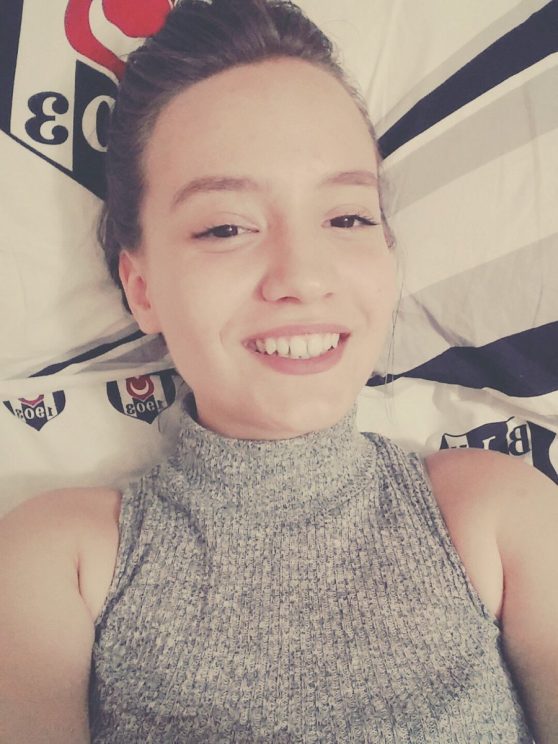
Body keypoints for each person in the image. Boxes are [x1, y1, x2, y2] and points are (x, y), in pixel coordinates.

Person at [1, 0, 557, 742]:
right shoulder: (56, 563)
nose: (303, 276)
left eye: (347, 218)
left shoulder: (500, 512)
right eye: (226, 227)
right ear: (142, 288)